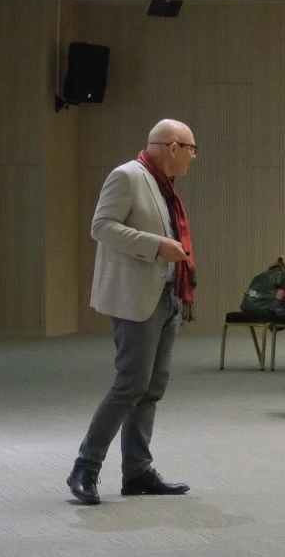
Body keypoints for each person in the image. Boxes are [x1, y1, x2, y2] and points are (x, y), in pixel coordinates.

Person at [67, 119, 199, 505]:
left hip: (167, 296)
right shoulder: (127, 176)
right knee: (130, 385)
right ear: (173, 147)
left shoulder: (163, 183)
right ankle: (85, 468)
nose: (193, 157)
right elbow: (101, 226)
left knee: (152, 388)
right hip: (135, 297)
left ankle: (137, 471)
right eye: (191, 149)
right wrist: (155, 244)